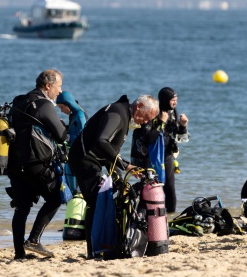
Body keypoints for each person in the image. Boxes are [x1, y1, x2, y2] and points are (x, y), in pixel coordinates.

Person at [68, 94, 159, 258]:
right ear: (138, 107)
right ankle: (93, 251)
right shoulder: (118, 113)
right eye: (146, 117)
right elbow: (101, 142)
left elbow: (109, 151)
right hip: (84, 160)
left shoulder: (124, 114)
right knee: (95, 203)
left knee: (107, 198)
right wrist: (126, 165)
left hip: (94, 160)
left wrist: (121, 171)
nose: (145, 122)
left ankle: (102, 246)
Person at [7, 70, 69, 259]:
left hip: (14, 163)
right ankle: (34, 240)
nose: (60, 91)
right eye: (58, 86)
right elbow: (62, 135)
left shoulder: (19, 101)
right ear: (48, 86)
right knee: (56, 197)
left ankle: (19, 253)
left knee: (22, 207)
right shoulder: (44, 104)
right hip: (35, 162)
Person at [130, 87, 189, 213]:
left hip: (166, 155)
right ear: (165, 100)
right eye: (173, 100)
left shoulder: (172, 112)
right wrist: (161, 121)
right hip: (148, 157)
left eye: (176, 99)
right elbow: (149, 138)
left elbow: (175, 136)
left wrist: (183, 126)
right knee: (148, 188)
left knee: (170, 189)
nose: (175, 102)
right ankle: (143, 217)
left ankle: (169, 218)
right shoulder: (153, 112)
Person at [56, 90, 87, 194]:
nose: (61, 110)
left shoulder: (80, 115)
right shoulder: (74, 115)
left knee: (76, 191)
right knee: (71, 189)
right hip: (72, 155)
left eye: (61, 107)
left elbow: (83, 137)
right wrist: (64, 127)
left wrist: (65, 137)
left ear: (68, 104)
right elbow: (74, 131)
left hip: (79, 157)